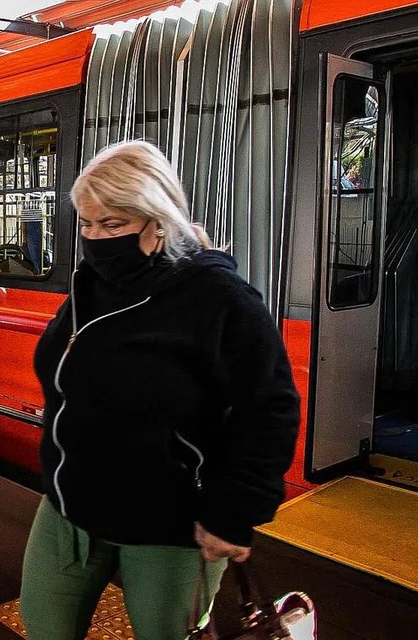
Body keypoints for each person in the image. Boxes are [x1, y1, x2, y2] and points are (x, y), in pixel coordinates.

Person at [19, 141, 300, 640]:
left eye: (112, 225)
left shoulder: (218, 298)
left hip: (170, 522)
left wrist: (234, 512)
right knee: (45, 627)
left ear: (159, 220)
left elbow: (269, 408)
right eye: (86, 225)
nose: (95, 240)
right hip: (71, 505)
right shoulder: (90, 286)